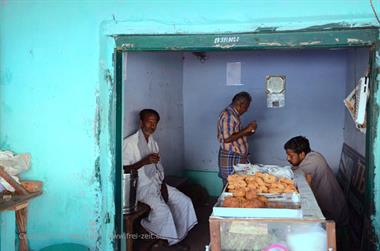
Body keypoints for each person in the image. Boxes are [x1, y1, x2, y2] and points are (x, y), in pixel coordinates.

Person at [123, 109, 197, 248]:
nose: (152, 126)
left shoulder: (153, 142)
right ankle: (145, 229)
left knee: (185, 202)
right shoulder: (129, 143)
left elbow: (159, 168)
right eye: (149, 121)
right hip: (141, 188)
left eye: (155, 123)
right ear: (141, 122)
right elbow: (123, 170)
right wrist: (143, 162)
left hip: (158, 184)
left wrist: (163, 185)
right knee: (164, 212)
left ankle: (176, 236)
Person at [284, 136, 349, 250]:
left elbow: (295, 178)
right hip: (329, 210)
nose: (287, 158)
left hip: (333, 213)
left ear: (302, 154)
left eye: (291, 155)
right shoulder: (311, 157)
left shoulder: (313, 161)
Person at [217, 91, 257, 186]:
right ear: (239, 103)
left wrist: (250, 131)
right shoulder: (228, 116)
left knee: (239, 185)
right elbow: (227, 139)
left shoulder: (234, 116)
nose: (246, 110)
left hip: (237, 156)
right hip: (230, 156)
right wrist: (246, 129)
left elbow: (236, 135)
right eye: (246, 107)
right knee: (229, 185)